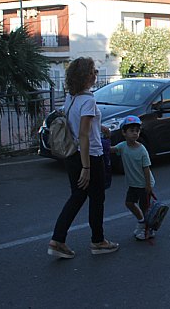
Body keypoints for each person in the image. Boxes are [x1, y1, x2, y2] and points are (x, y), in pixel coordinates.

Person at [48, 57, 119, 259]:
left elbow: (78, 123)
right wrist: (87, 168)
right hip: (89, 156)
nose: (95, 75)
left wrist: (101, 127)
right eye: (93, 72)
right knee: (97, 198)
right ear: (85, 76)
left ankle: (58, 240)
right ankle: (98, 241)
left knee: (77, 196)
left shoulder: (72, 97)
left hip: (72, 155)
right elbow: (84, 135)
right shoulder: (88, 100)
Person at [110, 115, 157, 240]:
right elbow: (112, 150)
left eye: (137, 130)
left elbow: (146, 169)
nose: (135, 133)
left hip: (144, 185)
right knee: (129, 203)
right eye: (131, 131)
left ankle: (149, 229)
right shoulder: (123, 146)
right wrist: (101, 142)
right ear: (124, 133)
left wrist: (148, 186)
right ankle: (142, 222)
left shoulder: (142, 150)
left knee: (145, 207)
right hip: (133, 184)